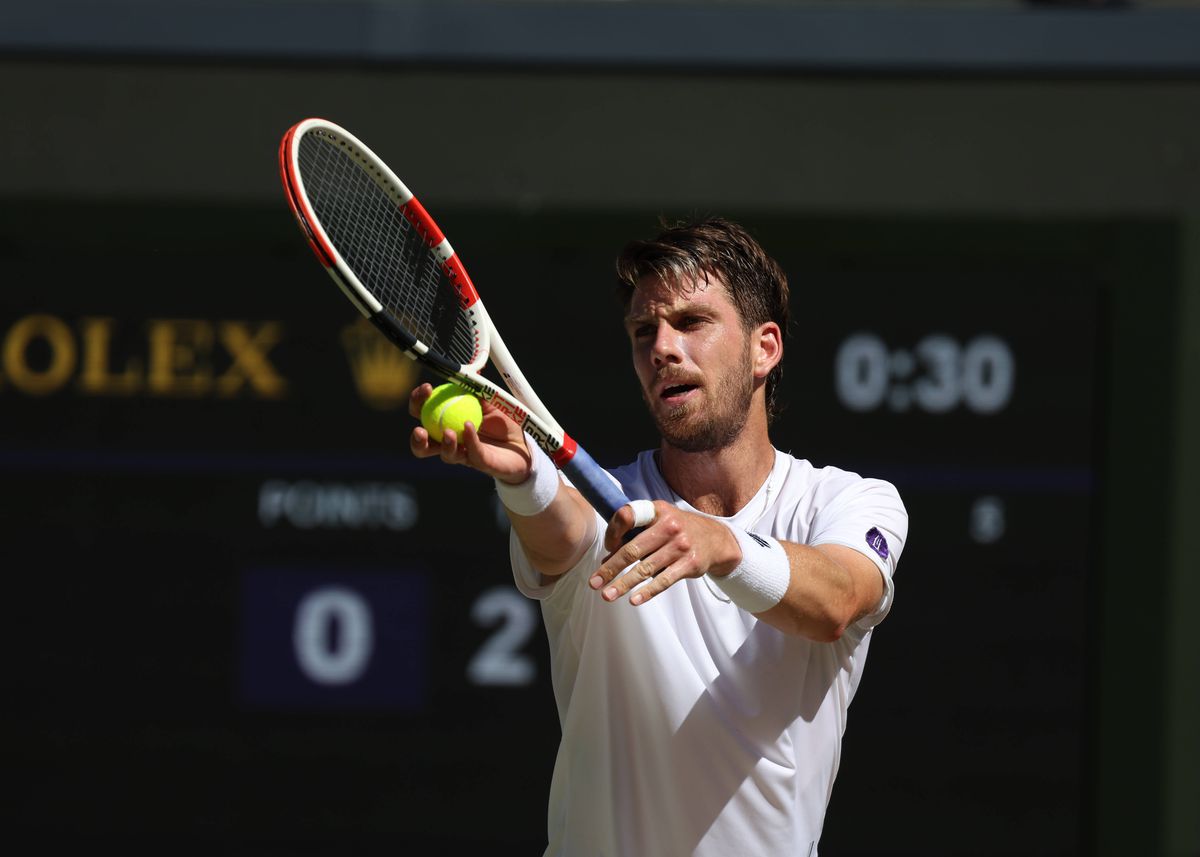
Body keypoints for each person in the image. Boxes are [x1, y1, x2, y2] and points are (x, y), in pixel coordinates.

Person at [408, 217, 908, 856]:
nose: (662, 348)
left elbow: (840, 598)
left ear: (765, 348)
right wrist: (528, 478)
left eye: (692, 323)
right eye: (644, 331)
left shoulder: (848, 501)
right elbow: (561, 533)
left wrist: (722, 545)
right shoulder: (602, 508)